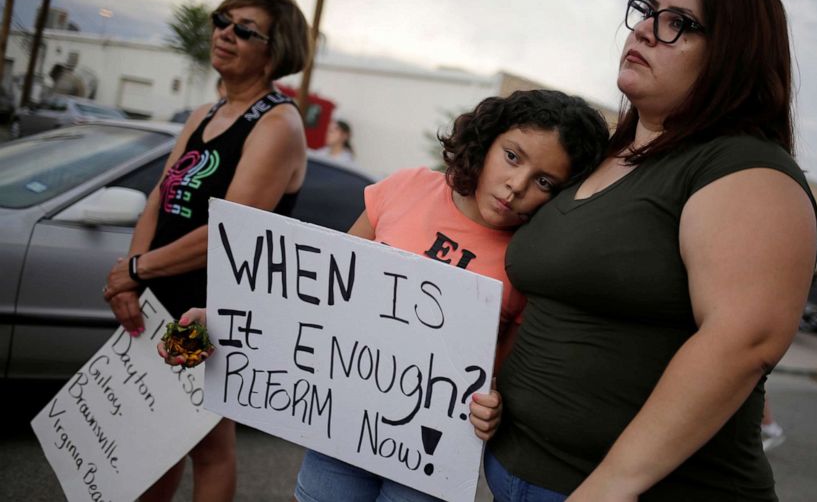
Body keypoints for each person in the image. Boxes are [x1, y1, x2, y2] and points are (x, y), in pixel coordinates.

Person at [160, 89, 610, 502]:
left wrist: (494, 405)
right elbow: (319, 295)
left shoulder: (534, 259)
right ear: (488, 140)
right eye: (512, 156)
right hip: (341, 427)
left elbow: (507, 374)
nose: (517, 184)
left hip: (431, 454)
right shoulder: (408, 187)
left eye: (545, 182)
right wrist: (222, 315)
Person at [485, 0, 817, 501]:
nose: (643, 31)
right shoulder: (598, 156)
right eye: (646, 11)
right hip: (516, 473)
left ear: (733, 55)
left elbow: (744, 338)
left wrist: (609, 487)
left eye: (676, 24)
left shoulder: (744, 168)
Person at [102, 0, 312, 502]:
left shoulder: (277, 123)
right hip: (159, 299)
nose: (225, 33)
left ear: (274, 50)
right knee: (156, 432)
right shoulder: (203, 113)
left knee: (206, 443)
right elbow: (159, 197)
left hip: (208, 310)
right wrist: (133, 277)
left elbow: (228, 231)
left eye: (245, 29)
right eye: (223, 20)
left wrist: (137, 270)